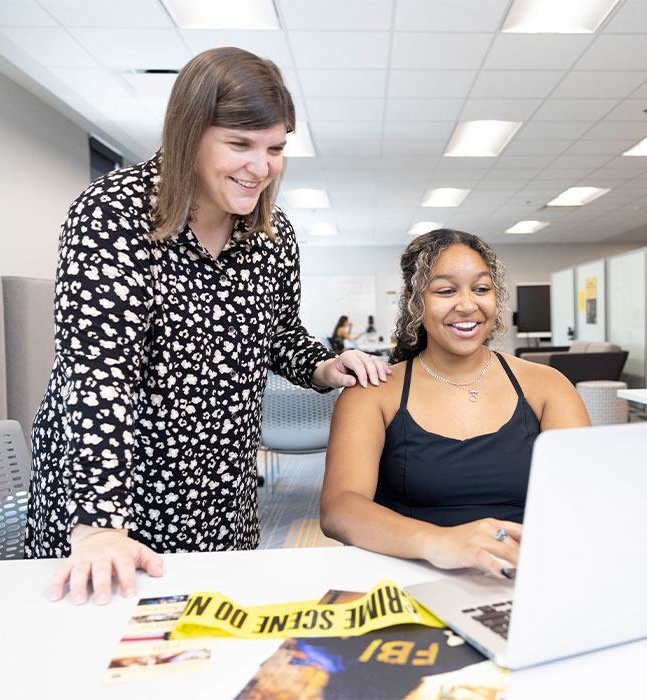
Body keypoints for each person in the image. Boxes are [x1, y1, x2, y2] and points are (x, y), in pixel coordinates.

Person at [25, 47, 389, 605]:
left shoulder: (270, 234)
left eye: (275, 148)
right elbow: (99, 377)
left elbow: (280, 333)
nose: (261, 167)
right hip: (115, 499)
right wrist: (99, 525)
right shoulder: (114, 214)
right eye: (239, 144)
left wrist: (323, 365)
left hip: (221, 493)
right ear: (188, 134)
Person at [319, 229, 590, 578]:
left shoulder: (547, 386)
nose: (467, 305)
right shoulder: (373, 391)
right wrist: (443, 543)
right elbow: (339, 509)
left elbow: (581, 497)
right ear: (414, 301)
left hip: (521, 576)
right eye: (446, 290)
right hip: (406, 576)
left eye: (481, 289)